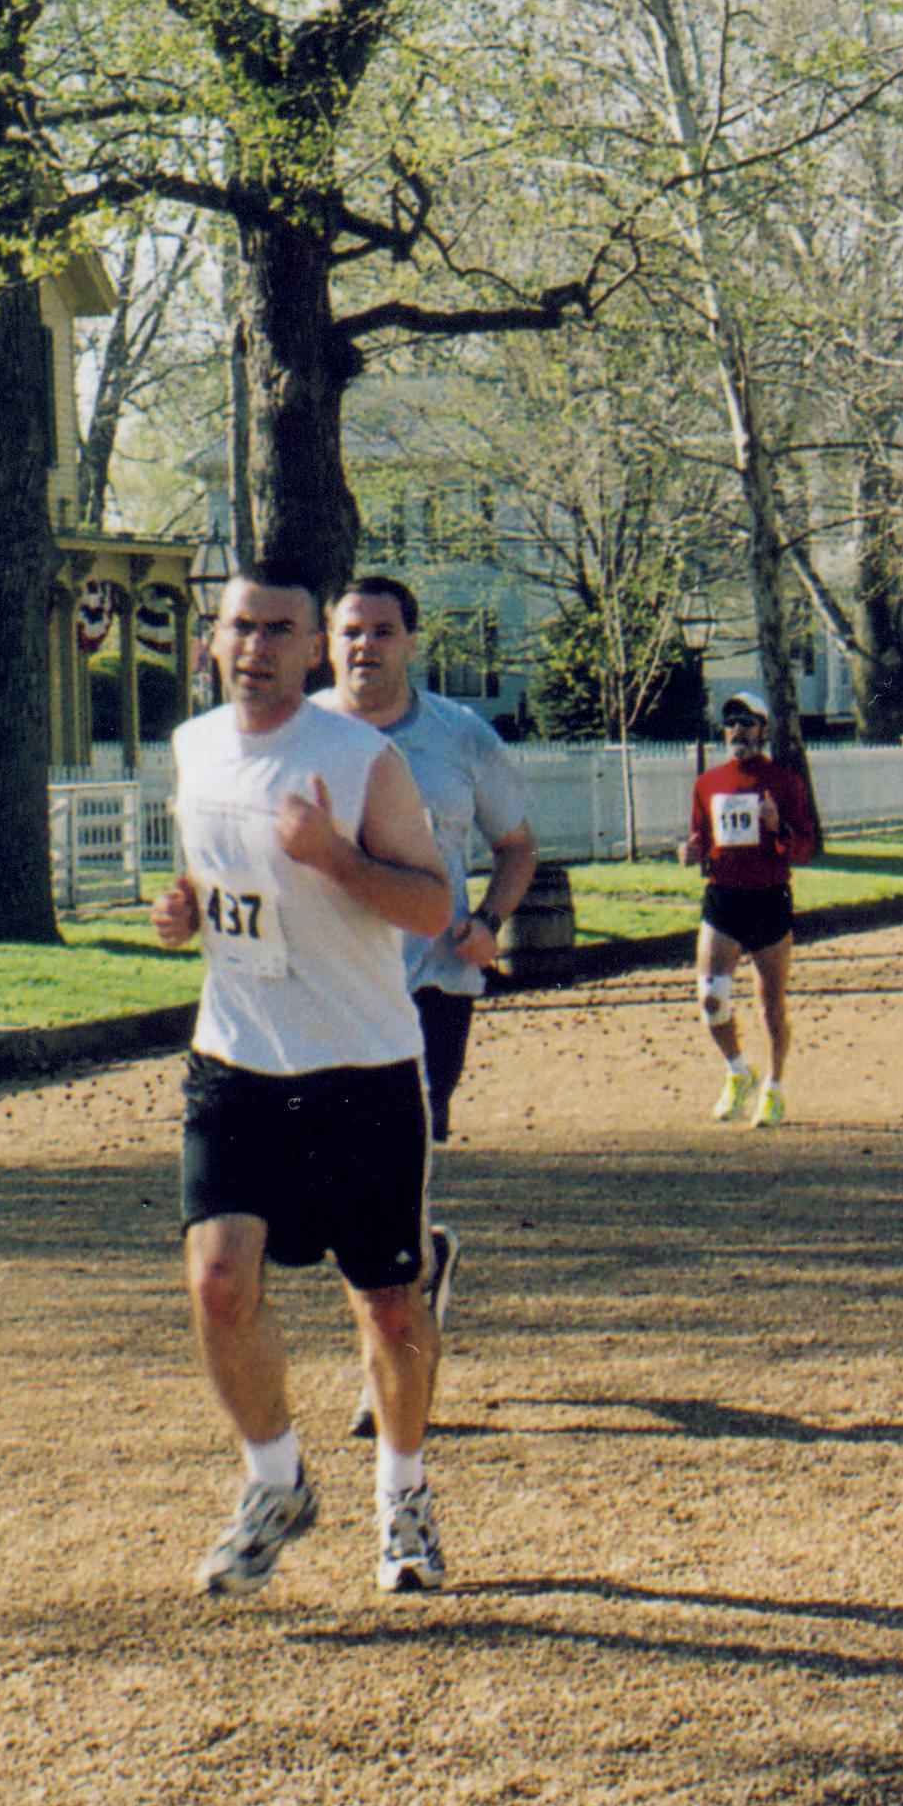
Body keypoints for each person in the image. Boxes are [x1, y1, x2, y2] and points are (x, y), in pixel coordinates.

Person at [158, 557, 463, 1597]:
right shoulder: (192, 749)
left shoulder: (358, 757)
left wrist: (335, 858)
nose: (256, 648)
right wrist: (184, 908)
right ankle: (276, 1483)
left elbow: (432, 908)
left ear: (312, 647)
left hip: (361, 1070)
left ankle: (405, 1495)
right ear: (213, 637)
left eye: (281, 630)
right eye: (240, 627)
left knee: (387, 1307)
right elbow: (214, 878)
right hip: (235, 1061)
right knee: (217, 1282)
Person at [320, 575, 534, 1437]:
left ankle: (387, 1374)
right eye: (349, 631)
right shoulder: (302, 735)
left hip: (431, 985)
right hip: (325, 987)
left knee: (395, 1168)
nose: (364, 646)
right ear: (328, 643)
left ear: (411, 641)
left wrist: (487, 920)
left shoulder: (459, 736)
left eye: (381, 630)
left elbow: (515, 845)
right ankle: (427, 1260)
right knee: (333, 1185)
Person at [684, 693, 824, 1126]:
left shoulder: (785, 783)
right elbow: (701, 838)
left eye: (746, 722)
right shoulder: (707, 784)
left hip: (768, 898)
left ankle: (775, 1087)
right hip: (724, 897)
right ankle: (738, 1072)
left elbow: (805, 848)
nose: (737, 731)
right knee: (711, 998)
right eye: (730, 723)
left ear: (763, 729)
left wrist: (776, 826)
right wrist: (690, 850)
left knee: (771, 1007)